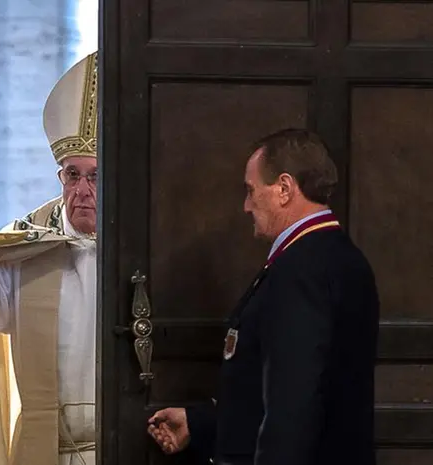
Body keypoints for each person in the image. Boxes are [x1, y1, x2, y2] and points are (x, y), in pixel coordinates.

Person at [147, 129, 379, 465]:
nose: (246, 205)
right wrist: (201, 423)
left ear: (284, 189)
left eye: (251, 190)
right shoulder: (337, 256)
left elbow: (293, 404)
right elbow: (280, 391)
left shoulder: (300, 269)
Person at [0, 52, 98, 465]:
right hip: (45, 451)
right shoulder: (30, 241)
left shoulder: (142, 244)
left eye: (95, 175)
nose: (81, 190)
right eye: (71, 175)